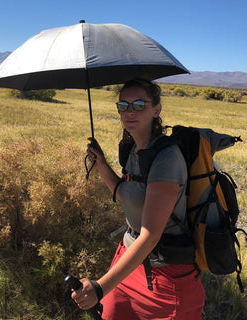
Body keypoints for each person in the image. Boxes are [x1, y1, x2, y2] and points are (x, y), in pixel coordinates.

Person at [71, 79, 205, 320]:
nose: (129, 111)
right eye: (123, 105)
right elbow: (127, 195)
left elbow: (151, 235)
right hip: (129, 260)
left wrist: (101, 286)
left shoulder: (167, 158)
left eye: (139, 104)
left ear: (157, 109)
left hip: (165, 274)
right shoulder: (134, 149)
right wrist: (101, 164)